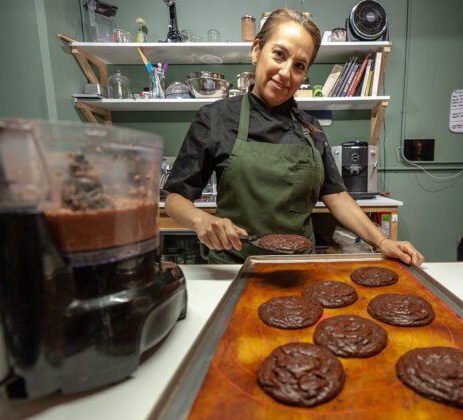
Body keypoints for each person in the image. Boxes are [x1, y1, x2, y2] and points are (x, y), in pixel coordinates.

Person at [164, 8, 424, 266]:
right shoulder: (215, 118)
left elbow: (337, 197)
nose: (286, 73)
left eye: (299, 65)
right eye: (279, 55)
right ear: (257, 50)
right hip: (234, 267)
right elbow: (176, 198)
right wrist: (201, 220)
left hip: (299, 268)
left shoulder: (311, 129)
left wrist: (382, 241)